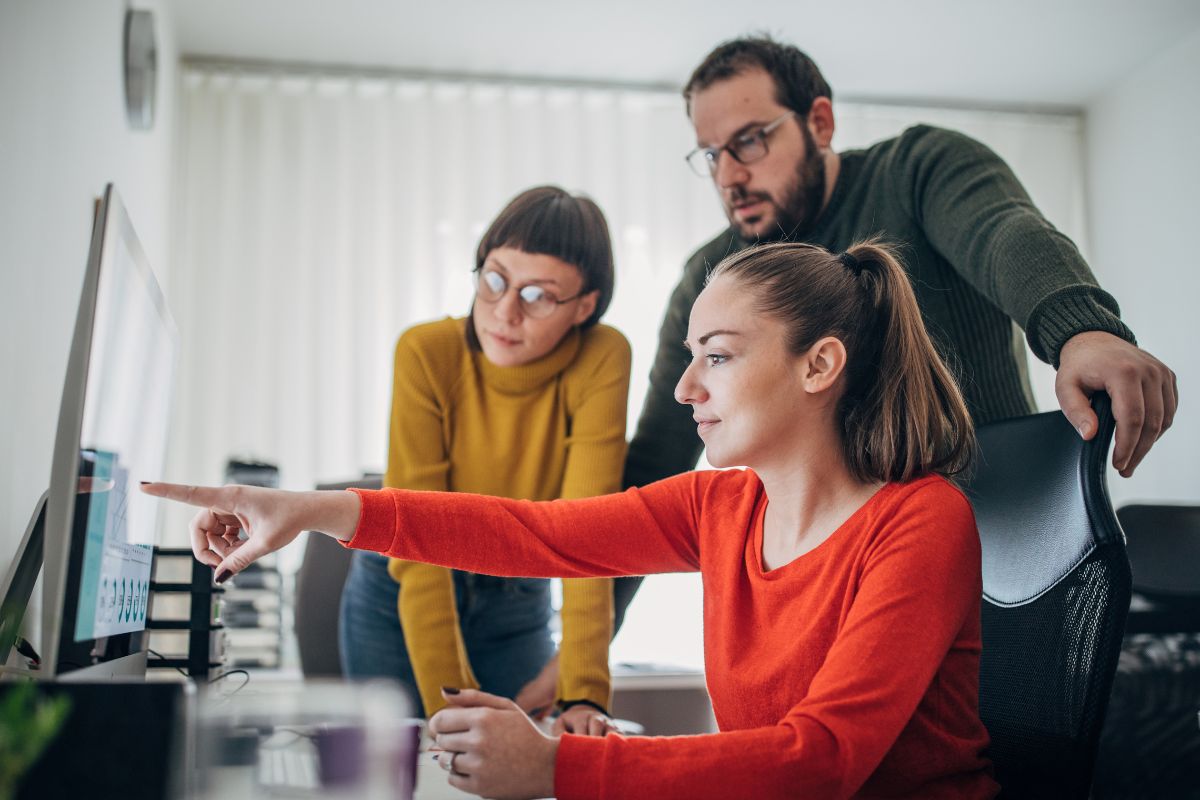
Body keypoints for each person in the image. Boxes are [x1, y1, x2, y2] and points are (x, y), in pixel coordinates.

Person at [146, 239, 1001, 799]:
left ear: (820, 365)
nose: (685, 389)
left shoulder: (921, 522)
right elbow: (536, 534)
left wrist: (559, 764)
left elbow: (821, 760)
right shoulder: (722, 505)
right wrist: (313, 511)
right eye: (689, 358)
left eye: (719, 358)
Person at [610, 35, 1179, 627]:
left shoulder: (917, 169)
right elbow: (656, 455)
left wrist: (1082, 330)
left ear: (819, 122)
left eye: (749, 142)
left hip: (998, 551)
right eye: (710, 155)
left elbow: (1003, 233)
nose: (728, 175)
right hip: (829, 586)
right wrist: (586, 658)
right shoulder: (712, 276)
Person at [337, 185, 632, 737]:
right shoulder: (426, 353)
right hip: (401, 584)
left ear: (584, 306)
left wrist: (584, 692)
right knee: (400, 769)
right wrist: (452, 706)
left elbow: (590, 534)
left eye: (539, 295)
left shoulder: (601, 358)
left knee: (515, 774)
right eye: (495, 279)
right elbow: (416, 539)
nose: (504, 311)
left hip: (515, 596)